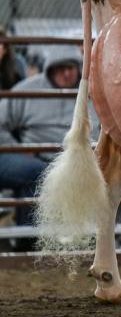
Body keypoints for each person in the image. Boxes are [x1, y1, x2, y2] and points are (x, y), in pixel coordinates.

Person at [0, 45, 97, 228]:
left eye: (71, 68)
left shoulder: (93, 92)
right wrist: (18, 148)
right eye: (61, 69)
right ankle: (29, 238)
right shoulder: (28, 90)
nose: (67, 73)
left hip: (81, 160)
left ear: (79, 69)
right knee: (38, 173)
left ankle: (93, 238)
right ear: (50, 70)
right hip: (37, 158)